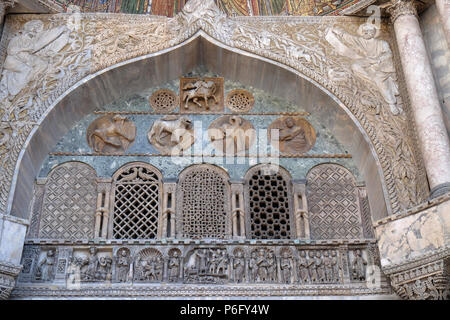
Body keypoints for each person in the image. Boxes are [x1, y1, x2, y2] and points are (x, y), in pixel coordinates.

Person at [326, 23, 401, 115]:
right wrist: (339, 32)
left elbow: (388, 54)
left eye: (368, 31)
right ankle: (371, 81)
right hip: (368, 62)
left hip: (382, 66)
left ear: (373, 33)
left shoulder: (382, 43)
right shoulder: (362, 41)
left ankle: (391, 103)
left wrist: (378, 60)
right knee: (355, 66)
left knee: (379, 79)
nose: (365, 33)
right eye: (364, 31)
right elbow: (350, 39)